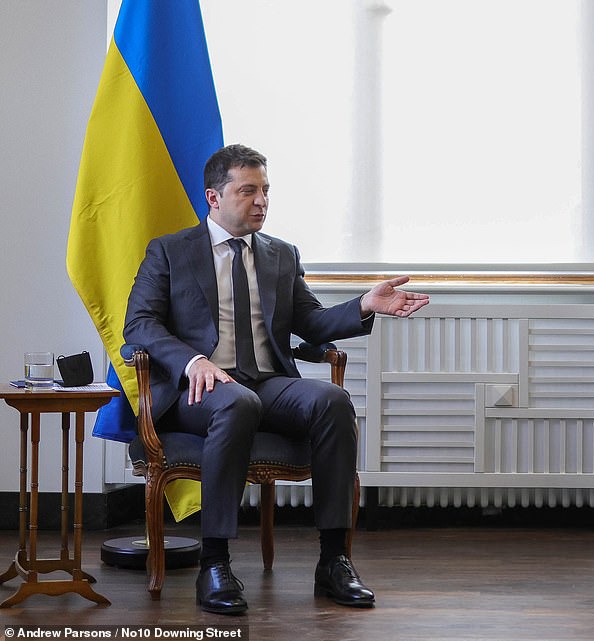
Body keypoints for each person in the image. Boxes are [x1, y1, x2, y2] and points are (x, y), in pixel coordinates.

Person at [124, 144, 429, 615]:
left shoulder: (281, 254)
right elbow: (139, 325)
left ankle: (334, 559)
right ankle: (215, 563)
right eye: (248, 191)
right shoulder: (169, 252)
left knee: (331, 400)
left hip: (267, 380)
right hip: (199, 391)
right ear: (213, 197)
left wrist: (365, 306)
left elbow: (311, 324)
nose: (261, 201)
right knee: (236, 402)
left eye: (265, 190)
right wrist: (191, 361)